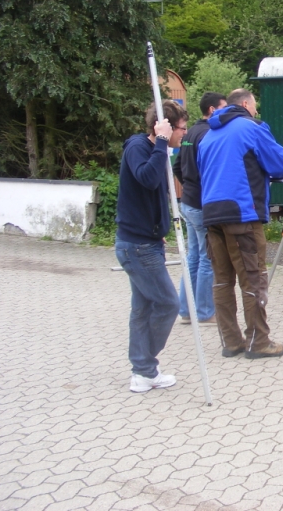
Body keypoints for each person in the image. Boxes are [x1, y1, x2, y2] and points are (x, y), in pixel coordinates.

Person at [197, 88, 283, 358]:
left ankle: (232, 341)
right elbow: (278, 165)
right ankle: (259, 342)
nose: (256, 111)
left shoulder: (208, 135)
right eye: (256, 106)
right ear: (247, 104)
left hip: (212, 215)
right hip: (242, 214)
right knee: (253, 280)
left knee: (222, 281)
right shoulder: (251, 127)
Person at [115, 100, 188, 393]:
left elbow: (155, 193)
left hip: (147, 241)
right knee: (169, 303)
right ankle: (144, 365)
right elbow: (146, 179)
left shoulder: (158, 151)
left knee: (142, 308)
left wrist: (159, 228)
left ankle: (143, 371)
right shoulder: (139, 147)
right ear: (166, 127)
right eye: (181, 128)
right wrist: (160, 142)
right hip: (136, 246)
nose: (184, 133)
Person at [172, 91, 226, 326]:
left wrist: (189, 187)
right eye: (224, 108)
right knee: (207, 258)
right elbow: (211, 170)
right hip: (202, 205)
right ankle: (205, 312)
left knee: (193, 257)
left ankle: (186, 311)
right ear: (213, 110)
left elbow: (177, 167)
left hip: (189, 203)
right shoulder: (207, 134)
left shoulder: (189, 132)